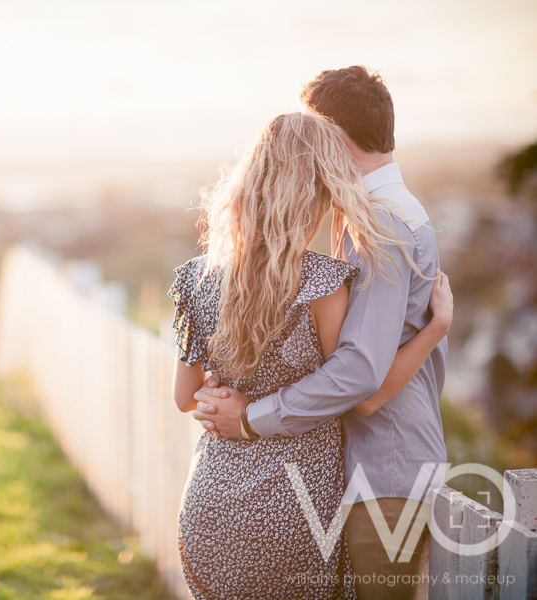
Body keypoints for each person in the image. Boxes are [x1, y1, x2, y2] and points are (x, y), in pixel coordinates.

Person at [191, 66, 449, 599]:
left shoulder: (380, 223)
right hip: (375, 468)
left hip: (385, 470)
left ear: (330, 134)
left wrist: (250, 418)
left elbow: (361, 376)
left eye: (310, 129)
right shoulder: (377, 214)